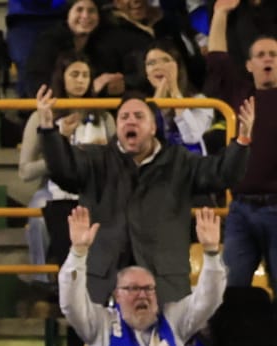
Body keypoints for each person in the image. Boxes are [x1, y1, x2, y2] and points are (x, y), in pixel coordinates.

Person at [35, 84, 252, 305]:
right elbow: (63, 168)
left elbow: (221, 174)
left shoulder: (179, 161)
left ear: (153, 127)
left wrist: (242, 141)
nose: (130, 121)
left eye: (139, 116)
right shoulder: (95, 159)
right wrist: (47, 129)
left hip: (165, 285)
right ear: (117, 126)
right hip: (104, 285)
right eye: (124, 117)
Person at [61, 205, 216, 346]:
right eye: (133, 289)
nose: (142, 295)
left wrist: (211, 253)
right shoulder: (99, 323)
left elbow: (208, 299)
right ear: (117, 294)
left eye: (148, 289)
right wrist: (78, 253)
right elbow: (70, 302)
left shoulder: (175, 320)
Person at [19, 51, 114, 273]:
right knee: (38, 216)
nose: (80, 80)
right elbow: (25, 172)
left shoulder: (105, 116)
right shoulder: (42, 116)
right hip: (55, 189)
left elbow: (121, 162)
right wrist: (59, 150)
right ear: (62, 77)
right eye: (74, 74)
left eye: (85, 75)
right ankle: (42, 281)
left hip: (97, 190)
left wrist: (101, 154)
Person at [206, 0, 277, 287]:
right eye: (260, 55)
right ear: (249, 64)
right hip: (240, 210)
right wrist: (220, 13)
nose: (267, 59)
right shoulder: (240, 93)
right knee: (231, 288)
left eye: (273, 54)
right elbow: (217, 58)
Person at [24, 0, 125, 99]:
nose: (85, 16)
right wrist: (93, 87)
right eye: (79, 10)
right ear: (67, 14)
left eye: (91, 11)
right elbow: (37, 87)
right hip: (49, 108)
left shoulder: (102, 43)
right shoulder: (48, 42)